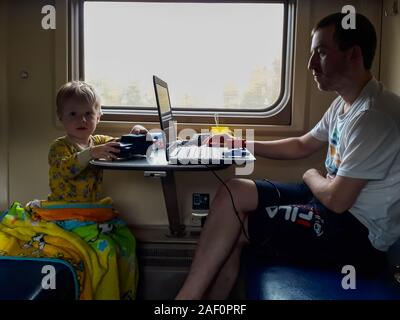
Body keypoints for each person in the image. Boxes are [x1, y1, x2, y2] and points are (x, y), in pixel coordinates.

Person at [176, 12, 400, 300]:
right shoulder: (344, 104)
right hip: (326, 206)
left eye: (320, 53)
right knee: (235, 191)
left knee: (233, 227)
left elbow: (338, 200)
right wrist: (237, 142)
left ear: (353, 54)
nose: (310, 65)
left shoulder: (373, 117)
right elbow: (301, 145)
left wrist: (311, 175)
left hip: (355, 237)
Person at [48, 80, 147, 202]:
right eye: (73, 114)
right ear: (60, 116)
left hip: (88, 209)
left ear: (98, 116)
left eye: (88, 113)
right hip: (62, 209)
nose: (82, 119)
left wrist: (135, 133)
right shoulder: (59, 146)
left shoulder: (98, 141)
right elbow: (65, 170)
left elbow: (117, 145)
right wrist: (91, 153)